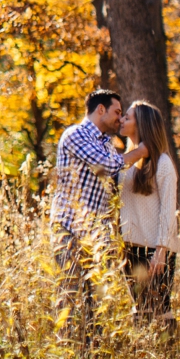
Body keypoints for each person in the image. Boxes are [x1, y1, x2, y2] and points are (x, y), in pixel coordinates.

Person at [51, 89, 147, 343]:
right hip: (70, 229)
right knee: (70, 296)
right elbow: (106, 166)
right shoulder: (76, 135)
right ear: (100, 110)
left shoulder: (106, 143)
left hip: (95, 236)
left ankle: (90, 353)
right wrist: (142, 151)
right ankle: (68, 352)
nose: (120, 118)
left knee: (93, 299)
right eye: (117, 112)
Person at [118, 100, 180, 327]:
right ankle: (143, 357)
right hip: (131, 246)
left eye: (127, 117)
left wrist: (161, 250)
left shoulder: (162, 163)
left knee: (161, 308)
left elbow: (168, 210)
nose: (122, 120)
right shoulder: (129, 162)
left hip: (155, 248)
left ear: (142, 124)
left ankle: (169, 357)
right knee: (140, 308)